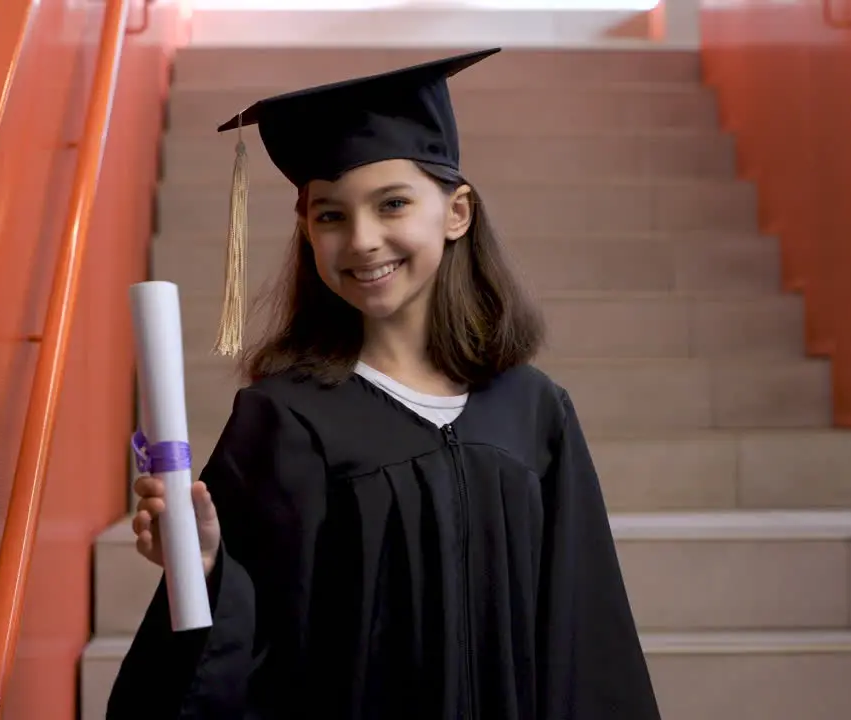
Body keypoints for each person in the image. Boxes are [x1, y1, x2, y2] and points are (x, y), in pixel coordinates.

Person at [106, 48, 661, 720]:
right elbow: (255, 648)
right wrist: (204, 566)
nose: (363, 240)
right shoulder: (284, 419)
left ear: (456, 213)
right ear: (306, 230)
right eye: (330, 215)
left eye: (392, 203)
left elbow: (585, 630)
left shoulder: (533, 408)